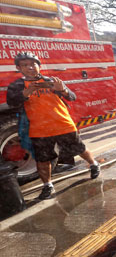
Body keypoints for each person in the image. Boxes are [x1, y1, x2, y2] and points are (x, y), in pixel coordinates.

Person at [7, 52, 100, 200]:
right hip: (39, 130)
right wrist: (26, 93)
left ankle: (94, 164)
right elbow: (12, 103)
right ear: (18, 68)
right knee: (43, 160)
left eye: (33, 64)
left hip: (63, 125)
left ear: (39, 66)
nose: (30, 67)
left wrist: (62, 89)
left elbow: (72, 97)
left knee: (79, 149)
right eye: (25, 65)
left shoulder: (51, 80)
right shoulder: (16, 85)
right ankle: (47, 185)